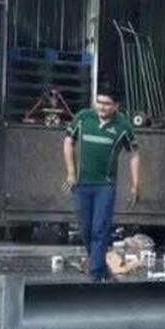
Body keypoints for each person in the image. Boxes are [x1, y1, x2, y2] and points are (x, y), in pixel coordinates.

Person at [62, 87, 141, 282]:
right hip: (82, 184)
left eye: (106, 104)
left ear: (116, 106)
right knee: (85, 229)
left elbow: (134, 154)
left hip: (105, 187)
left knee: (100, 228)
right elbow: (68, 142)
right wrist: (71, 172)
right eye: (99, 102)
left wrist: (136, 184)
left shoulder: (122, 126)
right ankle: (100, 265)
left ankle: (95, 275)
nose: (102, 107)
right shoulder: (83, 118)